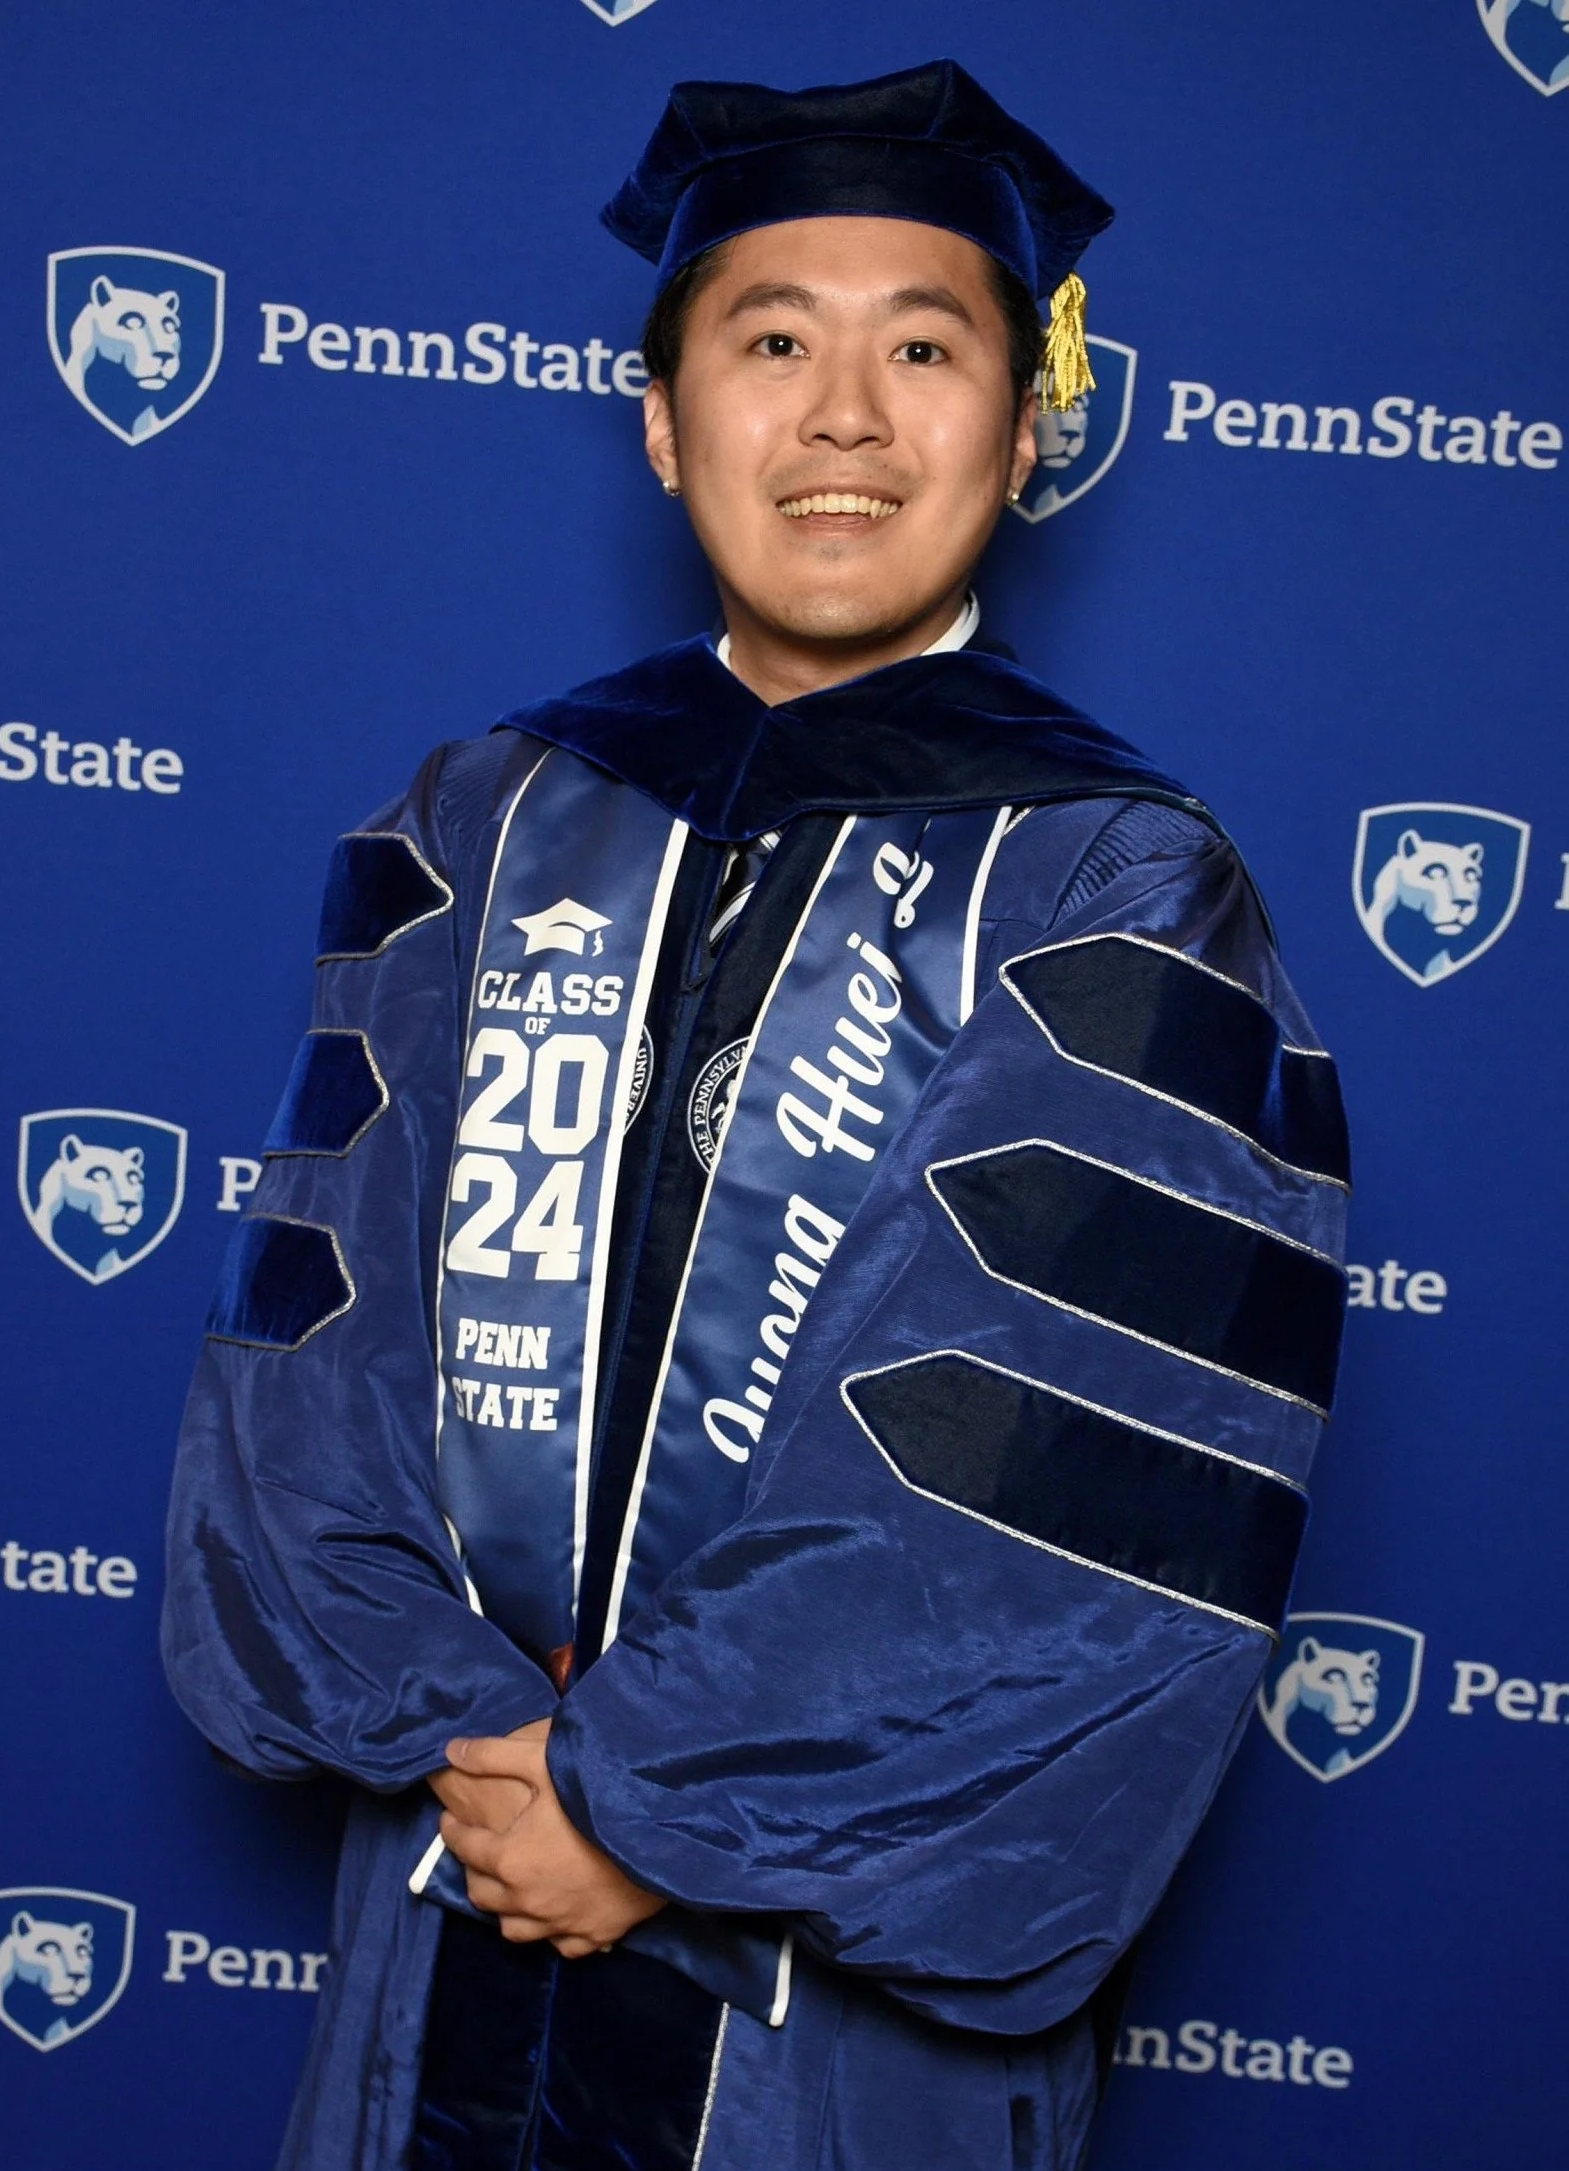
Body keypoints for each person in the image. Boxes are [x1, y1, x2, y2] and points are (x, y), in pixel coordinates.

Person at [162, 59, 1349, 2171]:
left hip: (823, 2001)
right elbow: (312, 1387)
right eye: (772, 341)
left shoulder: (1116, 880)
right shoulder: (486, 817)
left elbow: (1039, 1505)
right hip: (454, 1881)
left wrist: (637, 1810)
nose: (845, 419)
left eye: (926, 348)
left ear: (1026, 420)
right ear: (660, 415)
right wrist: (485, 1756)